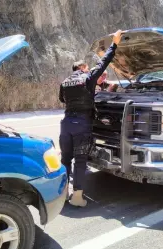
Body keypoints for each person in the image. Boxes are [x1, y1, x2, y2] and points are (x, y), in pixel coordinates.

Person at [59, 30, 123, 207]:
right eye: (86, 68)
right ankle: (77, 197)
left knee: (65, 160)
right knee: (80, 161)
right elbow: (103, 63)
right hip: (82, 124)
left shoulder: (64, 82)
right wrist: (115, 43)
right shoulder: (87, 78)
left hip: (66, 125)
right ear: (82, 69)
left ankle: (63, 194)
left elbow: (63, 100)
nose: (88, 70)